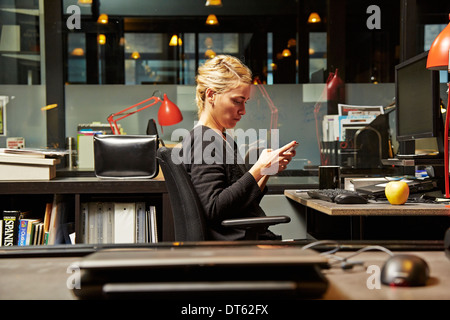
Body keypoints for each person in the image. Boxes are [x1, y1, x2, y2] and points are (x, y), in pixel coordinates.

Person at [181, 55, 297, 240]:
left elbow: (241, 204)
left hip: (247, 237)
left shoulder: (222, 138)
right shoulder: (205, 140)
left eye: (245, 102)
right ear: (211, 95)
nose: (243, 110)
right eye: (237, 101)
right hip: (239, 244)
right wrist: (257, 169)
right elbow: (213, 209)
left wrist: (265, 171)